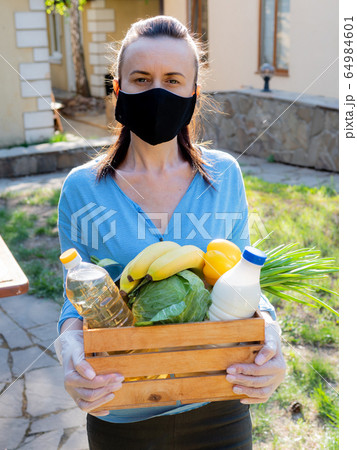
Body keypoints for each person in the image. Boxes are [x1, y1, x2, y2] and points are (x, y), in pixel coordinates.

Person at [56, 15, 286, 449]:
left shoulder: (225, 176)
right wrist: (67, 350)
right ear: (118, 87)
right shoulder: (82, 188)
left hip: (220, 403)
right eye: (141, 78)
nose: (157, 91)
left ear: (193, 94)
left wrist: (271, 332)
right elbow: (75, 299)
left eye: (173, 79)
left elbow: (241, 277)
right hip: (120, 406)